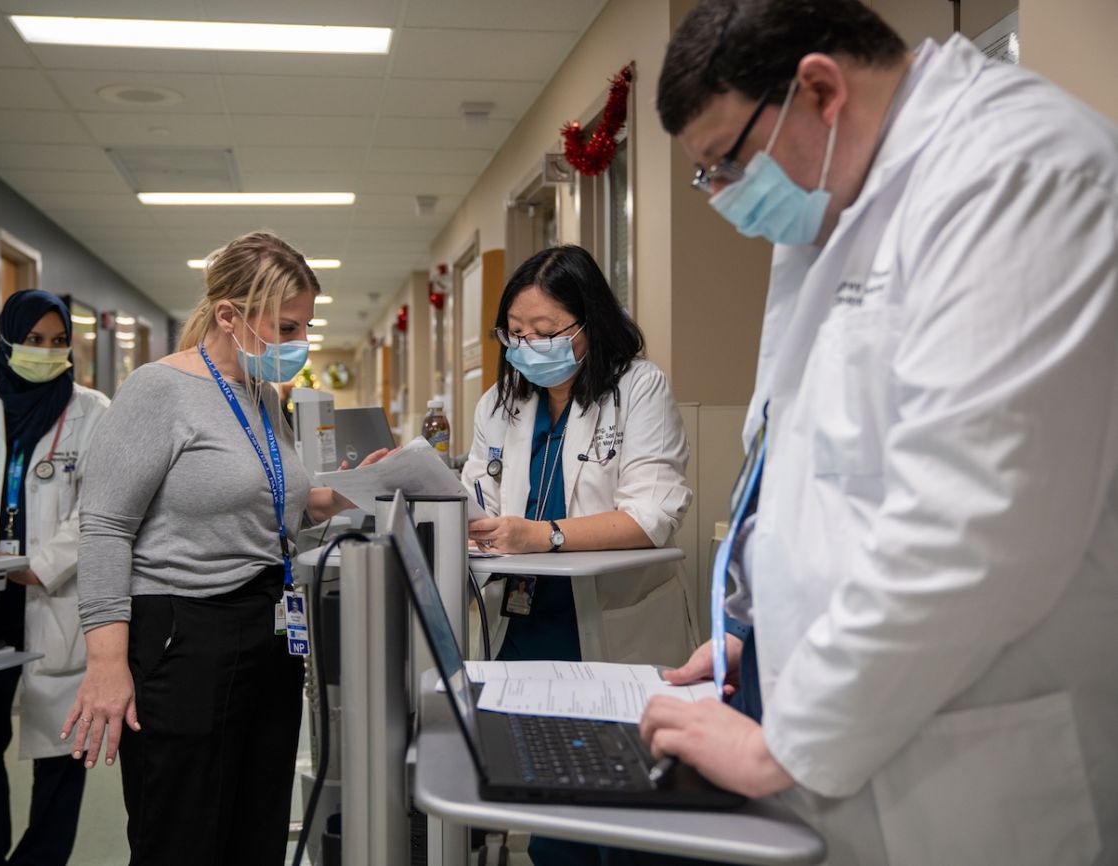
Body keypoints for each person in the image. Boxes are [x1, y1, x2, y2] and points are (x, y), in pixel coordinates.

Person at [642, 2, 1118, 864]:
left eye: (723, 165)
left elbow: (976, 523)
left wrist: (781, 744)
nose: (719, 198)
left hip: (976, 770)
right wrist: (761, 624)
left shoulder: (1019, 176)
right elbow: (808, 465)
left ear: (819, 90)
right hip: (854, 734)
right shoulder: (838, 210)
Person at [65, 231, 382, 865]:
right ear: (229, 314)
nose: (299, 345)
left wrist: (346, 493)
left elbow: (268, 501)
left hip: (265, 626)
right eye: (286, 327)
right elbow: (103, 526)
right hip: (183, 635)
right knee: (182, 837)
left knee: (256, 827)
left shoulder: (263, 395)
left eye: (305, 328)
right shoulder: (158, 391)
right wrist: (106, 663)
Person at [462, 245, 696, 866]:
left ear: (590, 323)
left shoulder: (638, 389)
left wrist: (542, 536)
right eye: (514, 332)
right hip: (523, 625)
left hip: (612, 625)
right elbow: (474, 496)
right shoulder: (498, 402)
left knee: (627, 813)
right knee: (551, 808)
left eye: (545, 331)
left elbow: (652, 515)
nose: (527, 345)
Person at [0, 289, 111, 866]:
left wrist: (42, 565)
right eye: (34, 340)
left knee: (62, 750)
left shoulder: (92, 411)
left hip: (50, 592)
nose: (46, 351)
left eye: (58, 341)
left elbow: (100, 509)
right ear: (8, 341)